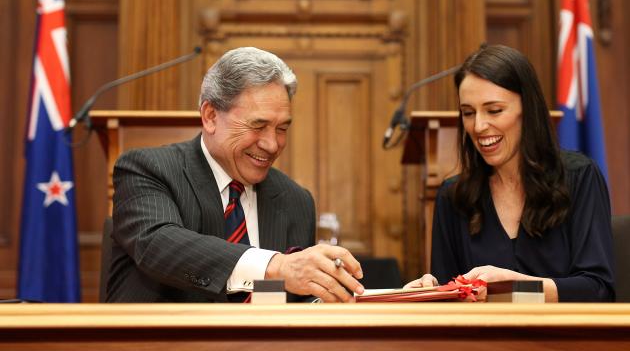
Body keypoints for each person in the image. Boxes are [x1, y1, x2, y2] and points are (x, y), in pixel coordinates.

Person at [106, 47, 364, 302]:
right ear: (210, 116)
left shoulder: (296, 200)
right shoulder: (148, 169)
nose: (272, 144)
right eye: (258, 126)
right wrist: (276, 266)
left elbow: (295, 303)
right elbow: (158, 245)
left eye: (282, 128)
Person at [406, 44, 614, 302]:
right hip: (485, 342)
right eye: (468, 113)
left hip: (563, 341)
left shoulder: (580, 177)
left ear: (528, 109)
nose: (479, 126)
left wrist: (516, 288)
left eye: (494, 110)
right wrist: (431, 294)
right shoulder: (453, 197)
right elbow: (453, 306)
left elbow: (598, 290)